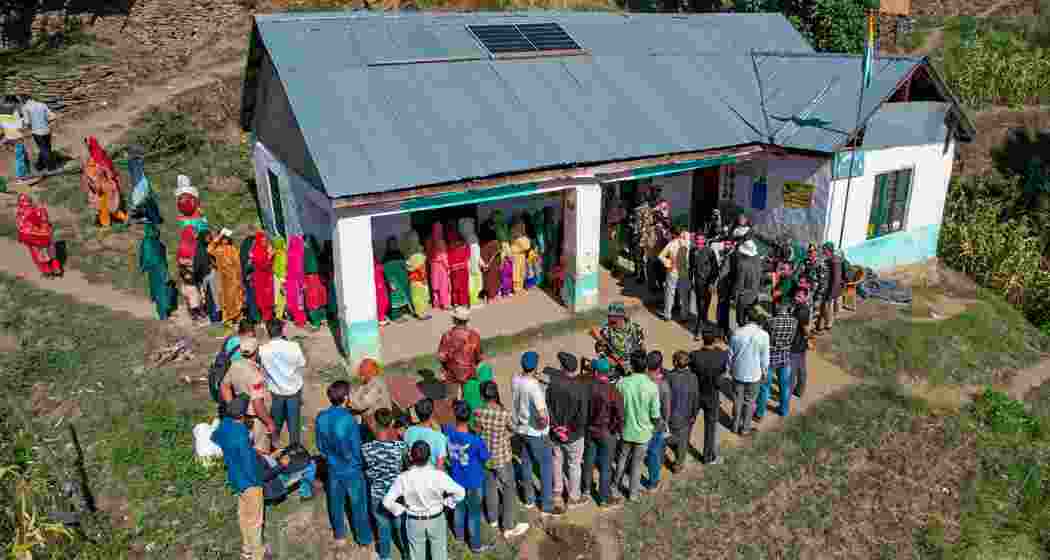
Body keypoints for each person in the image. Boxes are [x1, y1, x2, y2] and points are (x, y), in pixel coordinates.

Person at [383, 441, 466, 560]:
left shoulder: (403, 478)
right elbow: (461, 492)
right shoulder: (439, 476)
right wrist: (448, 502)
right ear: (429, 456)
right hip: (436, 518)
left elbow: (386, 502)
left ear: (411, 457)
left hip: (414, 521)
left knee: (417, 555)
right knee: (439, 553)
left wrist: (401, 509)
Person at [316, 381, 373, 548]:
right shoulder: (349, 420)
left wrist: (330, 458)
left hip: (333, 466)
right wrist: (360, 464)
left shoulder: (321, 417)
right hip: (351, 468)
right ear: (346, 398)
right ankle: (363, 538)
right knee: (358, 504)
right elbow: (356, 447)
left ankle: (339, 534)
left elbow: (320, 446)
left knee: (335, 501)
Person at [211, 396, 266, 560]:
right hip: (249, 482)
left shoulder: (224, 425)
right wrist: (260, 481)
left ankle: (246, 549)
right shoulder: (242, 435)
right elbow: (249, 467)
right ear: (242, 416)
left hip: (234, 477)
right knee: (255, 521)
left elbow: (215, 437)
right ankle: (258, 555)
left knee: (243, 516)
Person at [473, 381, 530, 538]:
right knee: (509, 489)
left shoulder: (477, 412)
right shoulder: (504, 414)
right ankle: (509, 526)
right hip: (502, 457)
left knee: (490, 487)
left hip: (485, 457)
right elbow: (514, 428)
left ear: (482, 395)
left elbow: (477, 431)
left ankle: (492, 519)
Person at [512, 351, 560, 515]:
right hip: (536, 433)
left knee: (526, 463)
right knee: (546, 467)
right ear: (536, 366)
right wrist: (544, 423)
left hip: (521, 429)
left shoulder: (516, 378)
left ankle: (529, 499)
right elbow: (541, 413)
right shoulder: (534, 387)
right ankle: (547, 505)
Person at [444, 401, 494, 554]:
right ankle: (475, 544)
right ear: (470, 416)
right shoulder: (476, 441)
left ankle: (459, 537)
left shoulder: (448, 431)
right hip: (473, 481)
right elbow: (485, 458)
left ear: (455, 415)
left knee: (459, 509)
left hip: (456, 478)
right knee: (474, 514)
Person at [612, 350, 661, 502]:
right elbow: (655, 415)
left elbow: (616, 407)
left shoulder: (621, 384)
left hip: (626, 430)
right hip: (644, 433)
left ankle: (615, 486)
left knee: (622, 459)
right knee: (637, 464)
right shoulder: (652, 387)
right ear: (646, 367)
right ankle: (633, 494)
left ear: (632, 366)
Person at [361, 408, 408, 560]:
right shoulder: (400, 447)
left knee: (382, 524)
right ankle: (406, 552)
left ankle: (385, 555)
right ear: (392, 423)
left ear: (375, 423)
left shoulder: (366, 449)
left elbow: (366, 469)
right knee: (399, 524)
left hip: (377, 492)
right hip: (396, 493)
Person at [546, 352, 590, 509]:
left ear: (562, 368)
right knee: (574, 465)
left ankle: (557, 493)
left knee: (557, 461)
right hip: (574, 435)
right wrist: (569, 431)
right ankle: (573, 497)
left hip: (555, 434)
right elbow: (582, 416)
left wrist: (557, 428)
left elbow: (548, 409)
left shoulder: (552, 385)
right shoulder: (580, 388)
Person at [220, 337, 275, 453]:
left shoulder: (235, 365)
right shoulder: (256, 376)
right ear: (257, 351)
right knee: (261, 452)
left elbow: (224, 386)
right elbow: (257, 404)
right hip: (257, 420)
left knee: (246, 447)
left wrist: (235, 409)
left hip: (242, 416)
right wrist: (269, 422)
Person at [581, 358, 624, 508]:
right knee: (605, 465)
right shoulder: (613, 391)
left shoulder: (587, 386)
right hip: (606, 432)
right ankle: (604, 498)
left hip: (590, 429)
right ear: (608, 372)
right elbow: (620, 415)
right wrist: (617, 430)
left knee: (589, 460)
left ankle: (585, 490)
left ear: (596, 371)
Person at [259, 319, 306, 447]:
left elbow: (263, 370)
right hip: (294, 389)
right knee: (294, 422)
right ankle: (295, 448)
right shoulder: (293, 346)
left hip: (276, 390)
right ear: (282, 331)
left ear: (268, 332)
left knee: (276, 419)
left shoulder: (263, 350)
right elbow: (301, 364)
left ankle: (274, 444)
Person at [728, 304, 770, 436]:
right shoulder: (763, 335)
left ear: (746, 318)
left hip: (738, 372)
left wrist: (729, 369)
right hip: (754, 374)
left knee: (737, 400)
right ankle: (745, 428)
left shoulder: (737, 333)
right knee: (750, 402)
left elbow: (730, 354)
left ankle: (734, 426)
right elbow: (765, 357)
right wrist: (764, 371)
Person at [690, 328, 728, 465]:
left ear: (702, 338)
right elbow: (723, 372)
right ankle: (707, 457)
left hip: (697, 393)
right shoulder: (722, 355)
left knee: (689, 421)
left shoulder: (694, 355)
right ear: (716, 340)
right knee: (711, 426)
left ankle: (680, 446)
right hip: (712, 394)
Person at [758, 302, 798, 422]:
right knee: (784, 386)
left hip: (770, 357)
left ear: (777, 308)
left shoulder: (770, 322)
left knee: (765, 387)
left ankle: (760, 413)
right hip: (785, 357)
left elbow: (764, 338)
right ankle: (784, 410)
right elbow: (792, 339)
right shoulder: (794, 322)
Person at [436, 307, 484, 400]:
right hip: (470, 371)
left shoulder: (448, 335)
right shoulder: (474, 335)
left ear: (455, 320)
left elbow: (441, 357)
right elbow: (479, 356)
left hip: (452, 372)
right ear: (467, 320)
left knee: (451, 398)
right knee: (469, 398)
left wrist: (445, 366)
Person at [666, 350, 701, 473]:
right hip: (686, 416)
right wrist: (694, 415)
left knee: (668, 436)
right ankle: (678, 464)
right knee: (683, 441)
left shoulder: (669, 376)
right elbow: (696, 398)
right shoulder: (693, 377)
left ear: (675, 362)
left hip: (671, 415)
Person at [589, 303, 645, 376]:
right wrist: (614, 362)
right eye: (609, 317)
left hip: (634, 364)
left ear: (622, 317)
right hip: (616, 367)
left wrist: (637, 364)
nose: (609, 321)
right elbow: (601, 350)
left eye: (613, 320)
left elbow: (642, 348)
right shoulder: (606, 331)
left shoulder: (635, 329)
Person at [642, 351, 671, 491]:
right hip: (655, 424)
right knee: (654, 452)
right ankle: (653, 482)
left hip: (640, 421)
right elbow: (666, 409)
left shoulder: (640, 379)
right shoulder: (663, 385)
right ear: (660, 365)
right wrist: (665, 423)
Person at [208, 228, 245, 332]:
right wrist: (218, 237)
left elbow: (238, 264)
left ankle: (238, 318)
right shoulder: (218, 249)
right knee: (225, 299)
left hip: (233, 277)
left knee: (236, 297)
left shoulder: (233, 249)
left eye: (227, 238)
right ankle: (228, 320)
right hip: (223, 278)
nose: (225, 240)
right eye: (223, 238)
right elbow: (209, 249)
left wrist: (239, 277)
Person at [348, 358, 392, 437]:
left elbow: (362, 404)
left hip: (379, 422)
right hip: (371, 420)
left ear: (369, 372)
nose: (360, 375)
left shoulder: (376, 384)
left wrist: (350, 397)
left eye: (362, 373)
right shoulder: (366, 383)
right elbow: (357, 396)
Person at [658, 227, 692, 322]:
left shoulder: (671, 244)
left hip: (673, 271)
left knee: (669, 293)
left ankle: (667, 315)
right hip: (684, 271)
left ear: (673, 234)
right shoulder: (687, 243)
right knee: (684, 295)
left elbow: (660, 256)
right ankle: (684, 315)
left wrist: (668, 263)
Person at [404, 398, 448, 469]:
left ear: (417, 414)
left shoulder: (408, 431)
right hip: (430, 477)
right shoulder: (439, 437)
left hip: (412, 474)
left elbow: (405, 455)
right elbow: (439, 466)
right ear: (432, 413)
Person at [689, 233, 718, 339]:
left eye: (701, 241)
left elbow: (715, 270)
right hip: (698, 284)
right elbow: (691, 267)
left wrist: (711, 283)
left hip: (707, 284)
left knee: (704, 306)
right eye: (697, 241)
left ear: (704, 241)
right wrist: (690, 280)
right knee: (700, 306)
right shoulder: (692, 251)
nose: (699, 243)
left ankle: (700, 328)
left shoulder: (710, 252)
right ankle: (701, 327)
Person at [19, 95, 53, 172]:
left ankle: (51, 168)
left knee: (44, 149)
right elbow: (51, 116)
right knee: (47, 148)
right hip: (47, 130)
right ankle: (39, 165)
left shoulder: (25, 108)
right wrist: (45, 121)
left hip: (37, 132)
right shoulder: (42, 104)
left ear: (24, 100)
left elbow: (27, 122)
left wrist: (26, 127)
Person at [734, 239, 762, 328]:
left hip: (744, 297)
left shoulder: (742, 264)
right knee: (751, 320)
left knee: (741, 321)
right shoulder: (757, 263)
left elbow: (740, 284)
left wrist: (736, 297)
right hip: (754, 295)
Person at [790, 287, 812, 399]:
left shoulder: (802, 311)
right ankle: (799, 390)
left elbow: (805, 328)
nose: (796, 298)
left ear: (806, 297)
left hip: (796, 344)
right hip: (801, 343)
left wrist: (808, 337)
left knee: (792, 370)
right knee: (801, 368)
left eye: (799, 296)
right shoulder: (802, 307)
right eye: (796, 295)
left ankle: (787, 392)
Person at [818, 242, 843, 334]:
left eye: (824, 249)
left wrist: (831, 293)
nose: (822, 251)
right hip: (827, 287)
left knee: (827, 307)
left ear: (829, 250)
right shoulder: (829, 259)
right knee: (825, 307)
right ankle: (824, 324)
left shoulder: (835, 261)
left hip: (830, 288)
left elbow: (836, 279)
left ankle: (828, 325)